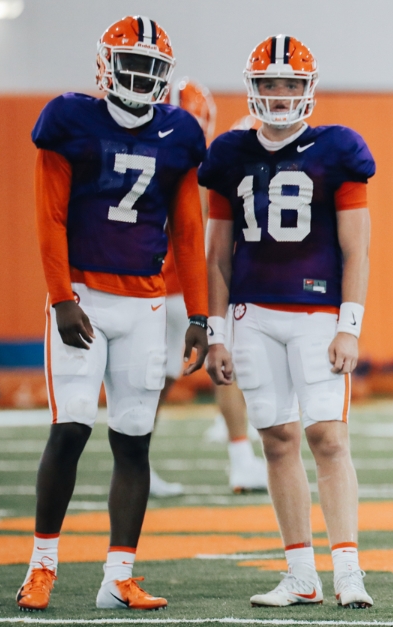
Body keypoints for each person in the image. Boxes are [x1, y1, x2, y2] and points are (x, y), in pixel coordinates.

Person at [17, 15, 208, 612]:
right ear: (106, 65)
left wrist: (200, 315)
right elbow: (49, 216)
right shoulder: (70, 119)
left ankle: (117, 577)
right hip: (84, 297)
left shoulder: (179, 132)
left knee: (134, 441)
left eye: (152, 69)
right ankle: (42, 565)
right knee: (70, 429)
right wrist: (61, 297)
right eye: (131, 65)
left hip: (147, 304)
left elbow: (188, 228)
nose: (141, 77)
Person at [202, 35, 374, 609]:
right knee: (277, 440)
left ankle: (348, 571)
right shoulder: (229, 154)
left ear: (309, 88)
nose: (279, 95)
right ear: (253, 90)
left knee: (328, 436)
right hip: (253, 313)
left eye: (291, 84)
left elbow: (357, 250)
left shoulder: (339, 148)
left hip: (318, 313)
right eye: (270, 84)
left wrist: (350, 323)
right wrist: (218, 330)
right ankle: (301, 574)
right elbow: (218, 255)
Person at [155, 78, 269, 496]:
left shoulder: (152, 153)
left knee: (161, 381)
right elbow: (201, 231)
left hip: (159, 284)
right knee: (224, 369)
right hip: (181, 286)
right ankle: (241, 459)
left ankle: (135, 463)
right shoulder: (189, 165)